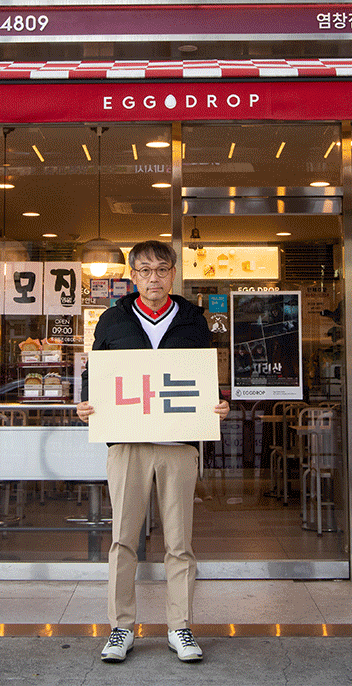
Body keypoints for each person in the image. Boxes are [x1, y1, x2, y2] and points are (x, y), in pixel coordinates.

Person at [76, 240, 229, 664]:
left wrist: (219, 401)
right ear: (132, 275)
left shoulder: (194, 320)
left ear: (173, 273)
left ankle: (180, 626)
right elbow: (96, 369)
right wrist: (87, 402)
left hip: (178, 444)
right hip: (127, 443)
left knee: (180, 541)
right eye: (144, 270)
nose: (153, 278)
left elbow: (206, 375)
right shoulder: (113, 318)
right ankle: (121, 626)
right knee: (123, 539)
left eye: (161, 269)